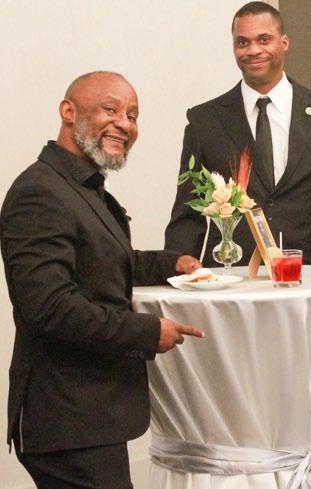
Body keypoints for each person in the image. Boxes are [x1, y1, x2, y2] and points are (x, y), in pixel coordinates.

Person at [0, 71, 205, 489]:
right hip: (66, 419)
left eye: (132, 115)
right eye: (110, 109)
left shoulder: (79, 186)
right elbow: (50, 307)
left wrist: (172, 264)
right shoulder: (40, 191)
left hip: (88, 418)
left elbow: (102, 262)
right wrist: (148, 332)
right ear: (68, 111)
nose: (124, 124)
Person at [165, 1, 311, 266]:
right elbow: (187, 214)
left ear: (284, 42)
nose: (253, 50)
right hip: (232, 277)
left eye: (264, 39)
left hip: (309, 277)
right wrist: (177, 268)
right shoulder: (205, 121)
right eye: (242, 42)